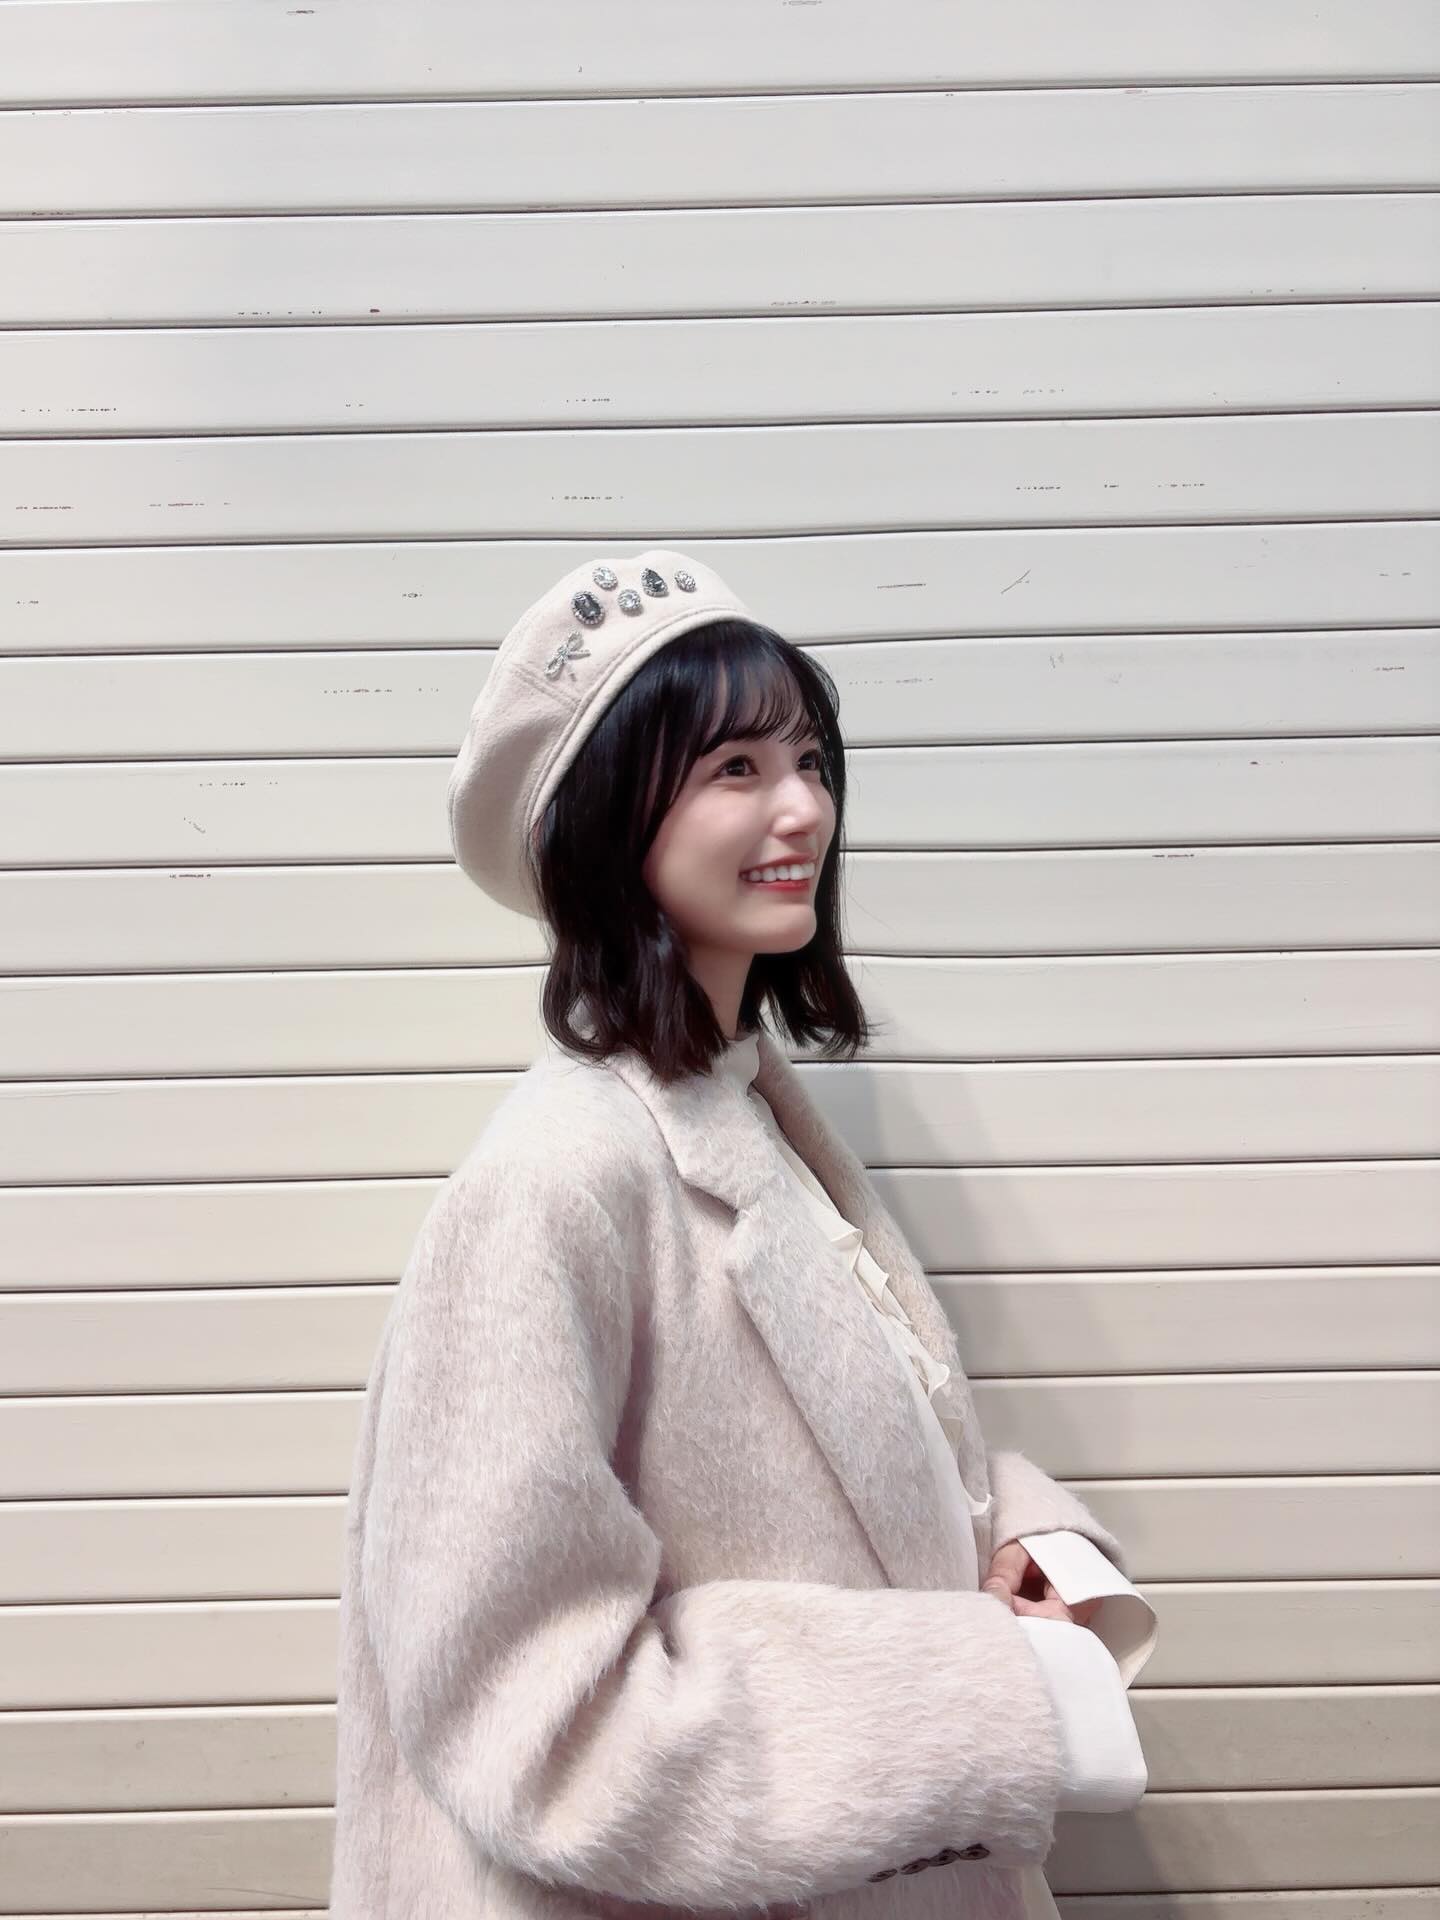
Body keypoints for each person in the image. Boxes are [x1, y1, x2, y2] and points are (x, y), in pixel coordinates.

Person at [329, 548, 1159, 1920]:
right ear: (608, 820)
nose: (805, 809)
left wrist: (1016, 1544)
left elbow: (851, 1473)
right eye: (735, 768)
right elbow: (535, 1717)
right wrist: (987, 1690)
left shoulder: (750, 1114)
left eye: (810, 760)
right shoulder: (554, 1182)